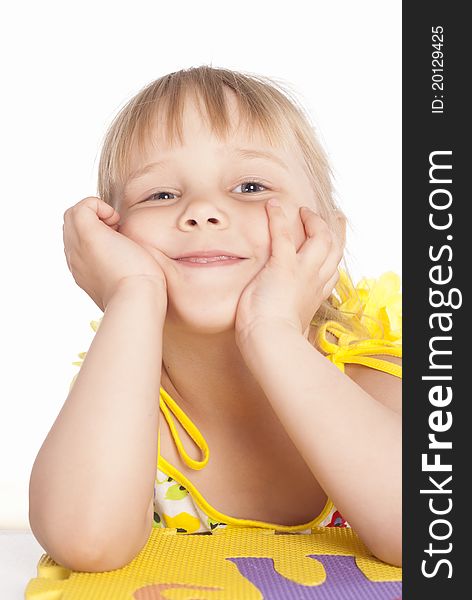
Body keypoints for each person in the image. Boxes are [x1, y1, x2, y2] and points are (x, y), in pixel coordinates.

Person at [29, 66, 402, 573]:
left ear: (326, 237)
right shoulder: (123, 402)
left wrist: (269, 331)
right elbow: (86, 543)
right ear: (111, 238)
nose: (202, 210)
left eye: (250, 186)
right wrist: (133, 294)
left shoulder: (372, 376)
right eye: (159, 194)